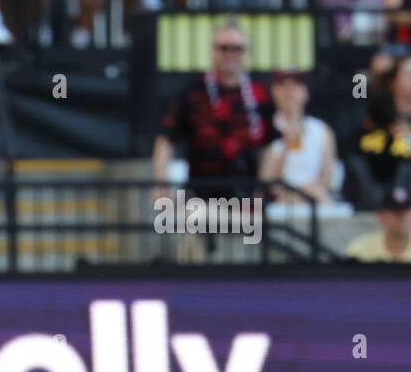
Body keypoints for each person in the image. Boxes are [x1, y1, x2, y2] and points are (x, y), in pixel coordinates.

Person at [152, 20, 275, 204]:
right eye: (223, 48)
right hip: (200, 196)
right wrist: (161, 183)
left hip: (247, 197)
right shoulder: (192, 92)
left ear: (245, 52)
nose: (230, 54)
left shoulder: (260, 94)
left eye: (237, 48)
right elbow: (166, 139)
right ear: (213, 51)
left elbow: (271, 145)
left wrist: (262, 190)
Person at [258, 69, 336, 204]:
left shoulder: (322, 131)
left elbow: (327, 179)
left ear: (305, 92)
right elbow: (266, 184)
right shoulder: (264, 129)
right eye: (282, 85)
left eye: (295, 85)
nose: (289, 91)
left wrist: (309, 192)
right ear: (274, 92)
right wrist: (287, 142)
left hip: (315, 200)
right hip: (280, 204)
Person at [345, 180, 411, 260]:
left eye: (405, 212)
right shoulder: (360, 250)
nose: (401, 218)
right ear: (381, 216)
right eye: (395, 213)